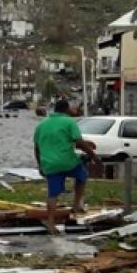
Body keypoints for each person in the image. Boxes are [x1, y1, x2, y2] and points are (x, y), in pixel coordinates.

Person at [33, 99, 99, 234]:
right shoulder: (70, 122)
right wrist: (94, 156)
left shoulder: (42, 125)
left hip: (50, 164)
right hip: (68, 162)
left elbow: (37, 147)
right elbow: (79, 143)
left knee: (53, 194)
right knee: (82, 175)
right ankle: (76, 205)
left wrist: (40, 165)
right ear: (66, 109)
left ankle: (51, 224)